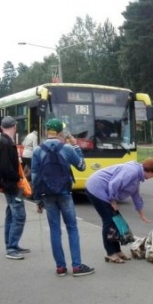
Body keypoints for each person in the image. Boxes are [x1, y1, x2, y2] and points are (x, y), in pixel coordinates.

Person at [31, 119, 95, 277]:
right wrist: (75, 146)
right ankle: (77, 266)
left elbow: (34, 177)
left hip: (47, 194)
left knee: (54, 230)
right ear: (60, 133)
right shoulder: (66, 148)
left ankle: (60, 267)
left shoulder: (38, 150)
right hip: (65, 193)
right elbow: (81, 166)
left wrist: (38, 199)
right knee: (72, 228)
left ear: (47, 131)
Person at [85, 158, 153, 263]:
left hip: (103, 191)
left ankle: (117, 251)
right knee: (109, 221)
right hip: (96, 188)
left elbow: (136, 196)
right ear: (149, 171)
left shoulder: (136, 177)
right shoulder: (131, 172)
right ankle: (111, 253)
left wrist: (141, 214)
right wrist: (113, 201)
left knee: (115, 221)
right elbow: (114, 184)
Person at [0, 116, 29, 260]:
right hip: (11, 184)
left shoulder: (3, 141)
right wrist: (18, 178)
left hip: (7, 184)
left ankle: (11, 244)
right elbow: (6, 167)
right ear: (14, 126)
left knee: (11, 215)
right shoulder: (7, 143)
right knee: (19, 215)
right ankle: (12, 247)